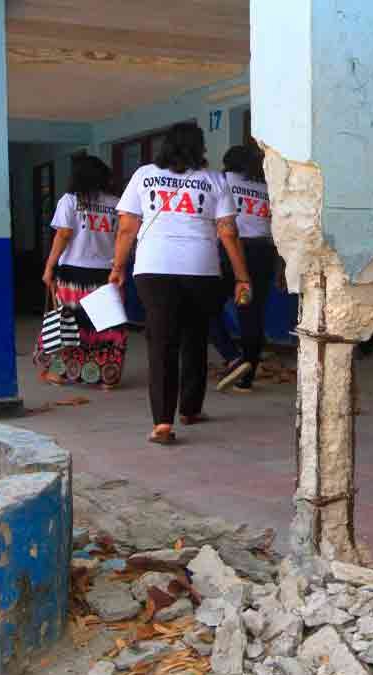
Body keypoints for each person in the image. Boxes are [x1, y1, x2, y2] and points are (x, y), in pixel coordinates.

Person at [110, 124, 252, 445]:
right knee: (195, 337)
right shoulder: (214, 179)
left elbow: (127, 227)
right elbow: (228, 232)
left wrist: (117, 267)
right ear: (200, 148)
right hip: (201, 268)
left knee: (162, 342)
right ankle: (190, 409)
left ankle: (162, 423)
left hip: (153, 268)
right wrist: (242, 276)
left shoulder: (144, 175)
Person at [36, 155, 127, 388]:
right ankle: (108, 377)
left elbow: (63, 234)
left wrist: (49, 267)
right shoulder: (116, 203)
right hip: (105, 274)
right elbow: (122, 237)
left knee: (68, 324)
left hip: (73, 274)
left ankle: (58, 373)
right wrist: (120, 267)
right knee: (106, 326)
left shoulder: (69, 200)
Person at [210, 144, 281, 393]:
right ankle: (246, 378)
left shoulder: (222, 181)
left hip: (231, 250)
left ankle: (232, 357)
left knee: (206, 307)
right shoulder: (267, 187)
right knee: (251, 313)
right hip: (263, 252)